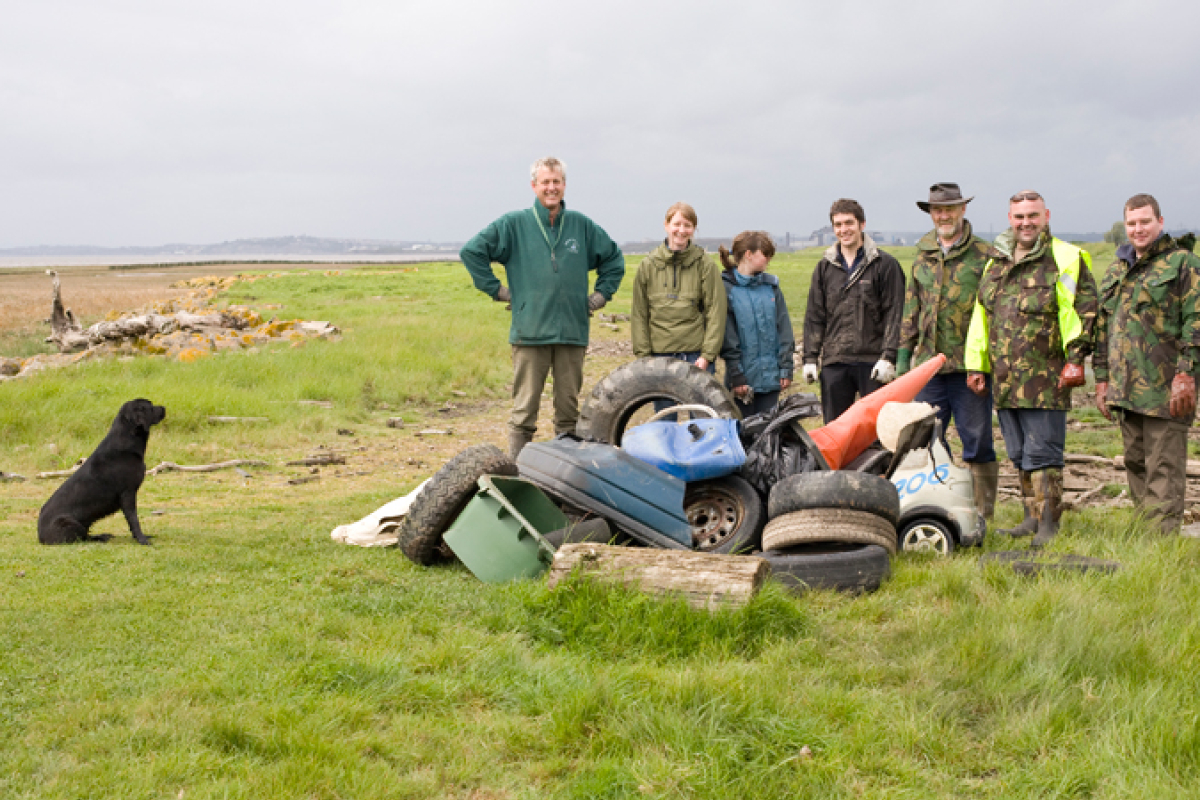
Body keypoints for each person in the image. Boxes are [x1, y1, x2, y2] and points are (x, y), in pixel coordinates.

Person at [460, 157, 625, 458]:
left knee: (568, 411)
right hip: (530, 332)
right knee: (524, 411)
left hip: (571, 333)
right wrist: (499, 291)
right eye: (545, 182)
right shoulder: (513, 224)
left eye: (556, 182)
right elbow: (472, 251)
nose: (551, 187)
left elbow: (614, 260)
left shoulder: (581, 225)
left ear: (564, 185)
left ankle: (565, 474)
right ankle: (520, 473)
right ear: (534, 186)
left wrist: (600, 296)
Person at [965, 190, 1098, 548]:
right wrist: (977, 365)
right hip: (1006, 379)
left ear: (1046, 216)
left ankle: (1050, 525)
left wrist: (1075, 358)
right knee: (1019, 451)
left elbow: (1084, 311)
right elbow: (982, 317)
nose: (1026, 223)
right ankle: (1030, 518)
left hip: (1046, 376)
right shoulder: (997, 263)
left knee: (1044, 454)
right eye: (1019, 216)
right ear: (1010, 218)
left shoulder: (1065, 258)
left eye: (1033, 216)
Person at [1093, 193, 1200, 534]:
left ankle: (1161, 545)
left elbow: (1195, 321)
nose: (1138, 229)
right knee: (1136, 463)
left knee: (1163, 467)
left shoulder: (1183, 264)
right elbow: (1103, 327)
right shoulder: (1117, 269)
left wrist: (1187, 373)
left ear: (1160, 222)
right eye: (1132, 223)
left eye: (1145, 222)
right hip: (1126, 389)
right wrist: (1101, 379)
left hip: (1165, 389)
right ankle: (1144, 538)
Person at [898, 183, 1000, 526]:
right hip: (929, 367)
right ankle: (939, 507)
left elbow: (995, 309)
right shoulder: (923, 254)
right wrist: (903, 358)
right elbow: (912, 307)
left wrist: (989, 363)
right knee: (929, 441)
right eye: (938, 210)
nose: (944, 215)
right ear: (931, 214)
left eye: (950, 209)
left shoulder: (985, 255)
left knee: (977, 440)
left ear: (962, 210)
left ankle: (982, 512)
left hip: (971, 367)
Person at [802, 198, 905, 424]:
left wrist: (888, 357)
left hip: (872, 362)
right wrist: (810, 357)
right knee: (836, 430)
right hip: (835, 361)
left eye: (849, 223)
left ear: (862, 225)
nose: (843, 230)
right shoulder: (825, 268)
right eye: (838, 225)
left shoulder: (884, 265)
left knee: (875, 431)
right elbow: (815, 316)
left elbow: (894, 313)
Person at [630, 202, 727, 374]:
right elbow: (639, 314)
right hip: (659, 357)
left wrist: (707, 356)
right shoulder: (648, 265)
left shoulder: (705, 265)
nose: (681, 231)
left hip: (695, 358)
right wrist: (644, 358)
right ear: (666, 225)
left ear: (694, 229)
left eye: (687, 226)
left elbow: (716, 312)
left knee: (699, 402)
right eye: (676, 224)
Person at [719, 231, 795, 416]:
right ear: (748, 254)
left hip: (771, 381)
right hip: (742, 381)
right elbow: (728, 337)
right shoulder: (726, 289)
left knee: (768, 436)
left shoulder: (771, 287)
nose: (769, 258)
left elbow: (784, 329)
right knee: (742, 436)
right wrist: (737, 376)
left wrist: (785, 368)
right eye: (765, 254)